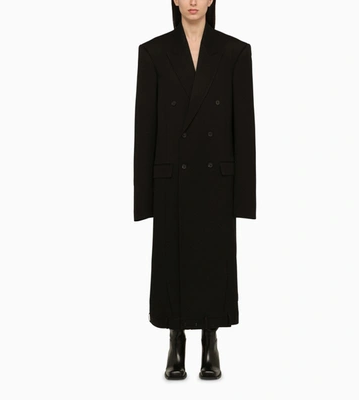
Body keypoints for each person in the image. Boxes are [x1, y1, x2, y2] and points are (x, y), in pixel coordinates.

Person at [133, 0, 256, 380]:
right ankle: (175, 338)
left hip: (216, 177)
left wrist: (244, 196)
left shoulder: (236, 52)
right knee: (173, 261)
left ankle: (210, 339)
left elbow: (244, 128)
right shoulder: (153, 52)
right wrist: (144, 197)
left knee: (213, 259)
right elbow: (145, 128)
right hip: (173, 178)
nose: (192, 1)